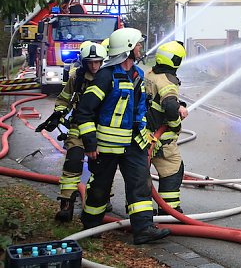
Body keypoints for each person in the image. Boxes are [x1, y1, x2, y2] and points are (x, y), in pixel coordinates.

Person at [74, 27, 169, 245]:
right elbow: (85, 111)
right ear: (128, 48)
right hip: (105, 147)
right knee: (100, 189)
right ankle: (90, 227)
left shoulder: (138, 74)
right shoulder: (105, 77)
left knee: (140, 184)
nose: (140, 48)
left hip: (133, 144)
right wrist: (90, 142)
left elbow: (141, 107)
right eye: (137, 44)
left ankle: (144, 229)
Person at [35, 41, 106, 221]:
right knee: (73, 162)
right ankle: (66, 204)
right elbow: (64, 99)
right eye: (90, 62)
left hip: (102, 130)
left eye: (97, 62)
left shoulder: (108, 78)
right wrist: (58, 114)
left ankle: (100, 200)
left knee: (100, 167)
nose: (94, 66)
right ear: (83, 62)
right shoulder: (77, 78)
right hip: (78, 128)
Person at [145, 41, 188, 213]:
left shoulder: (150, 73)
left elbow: (158, 100)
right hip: (161, 139)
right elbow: (169, 106)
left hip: (145, 135)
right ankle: (169, 210)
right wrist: (176, 125)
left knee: (140, 175)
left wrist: (179, 105)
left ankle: (141, 211)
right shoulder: (169, 81)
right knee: (173, 170)